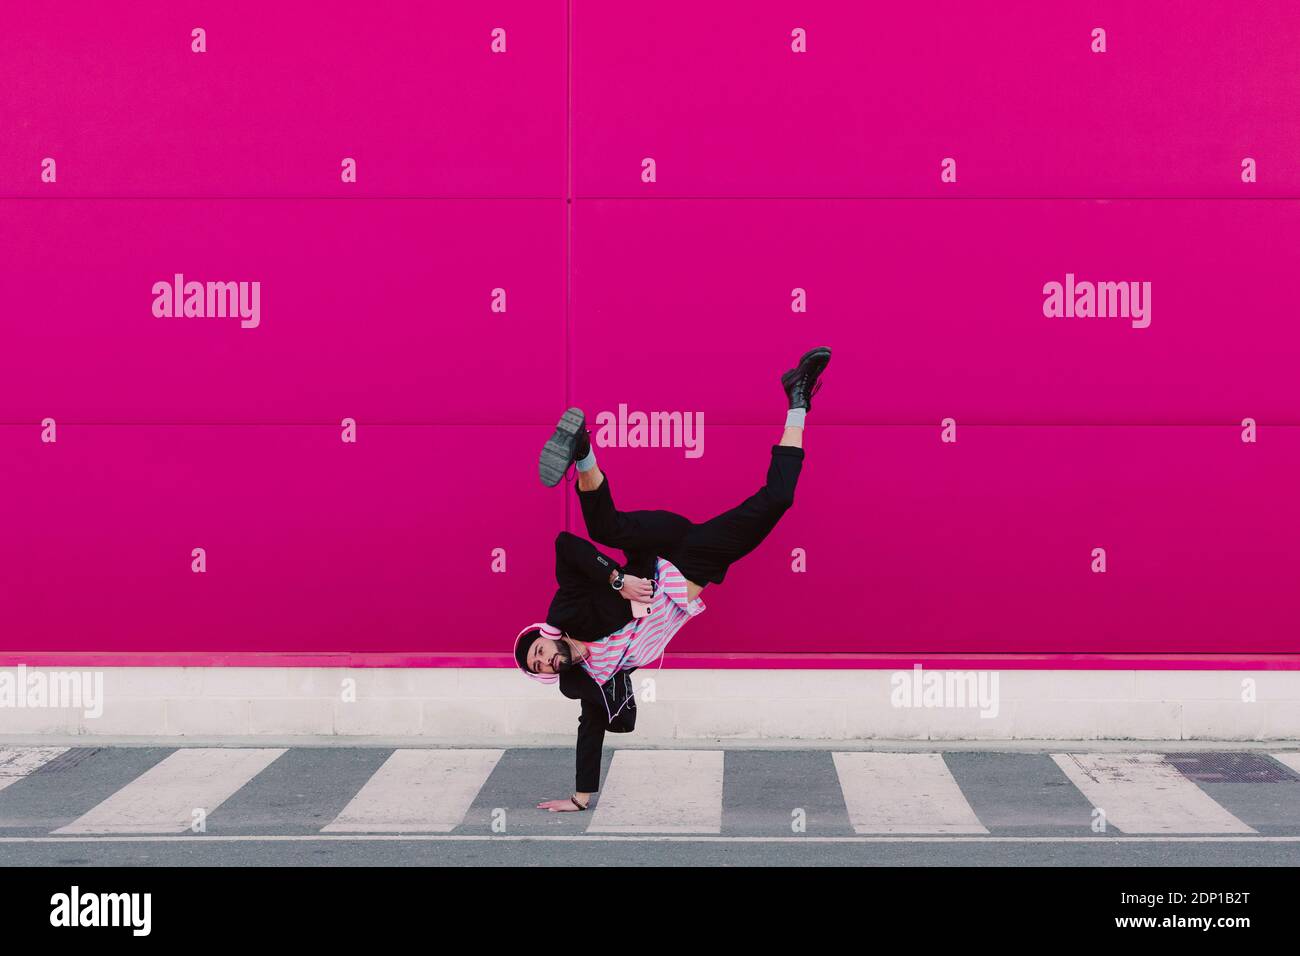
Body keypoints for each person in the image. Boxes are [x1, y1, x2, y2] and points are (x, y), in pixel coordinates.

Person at [513, 347, 832, 812]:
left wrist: (617, 581)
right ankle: (798, 398)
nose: (546, 662)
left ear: (546, 637)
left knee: (605, 529)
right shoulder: (591, 677)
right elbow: (592, 727)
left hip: (656, 551)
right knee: (778, 499)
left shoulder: (567, 614)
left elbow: (566, 545)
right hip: (695, 566)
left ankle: (583, 451)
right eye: (540, 667)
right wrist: (580, 798)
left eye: (539, 652)